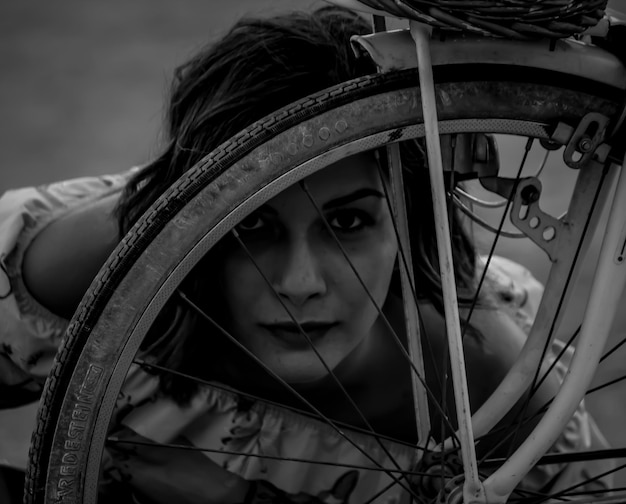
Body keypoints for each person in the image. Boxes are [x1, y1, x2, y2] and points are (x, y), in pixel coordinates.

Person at [0, 5, 613, 504]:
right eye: (252, 226)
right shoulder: (77, 273)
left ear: (409, 226)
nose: (299, 283)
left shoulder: (480, 382)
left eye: (347, 222)